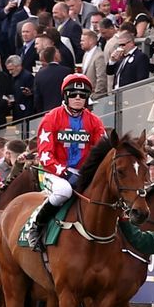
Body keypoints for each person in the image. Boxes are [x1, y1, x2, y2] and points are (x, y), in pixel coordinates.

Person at [27, 75, 106, 251]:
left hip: (83, 174)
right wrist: (64, 172)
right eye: (74, 94)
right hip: (52, 173)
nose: (78, 98)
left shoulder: (95, 122)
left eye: (82, 95)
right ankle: (36, 226)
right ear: (65, 95)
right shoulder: (51, 118)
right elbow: (45, 155)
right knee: (64, 191)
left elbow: (102, 152)